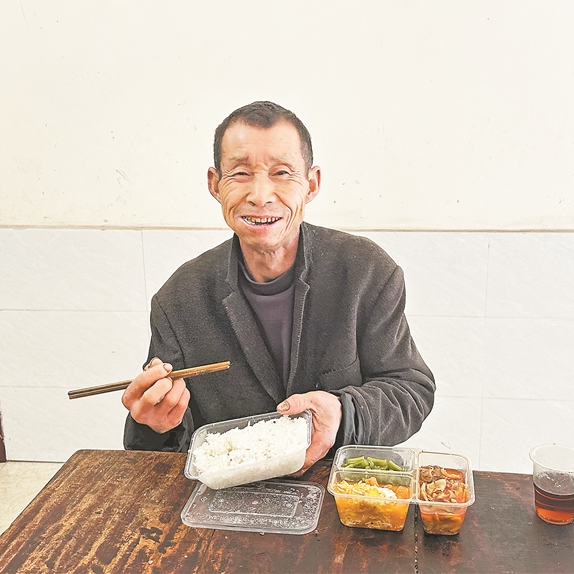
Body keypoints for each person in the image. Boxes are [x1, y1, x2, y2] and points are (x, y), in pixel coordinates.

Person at [122, 101, 435, 474]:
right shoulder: (179, 299)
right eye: (240, 173)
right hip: (230, 496)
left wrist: (343, 412)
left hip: (340, 489)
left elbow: (410, 389)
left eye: (282, 173)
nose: (260, 195)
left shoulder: (366, 271)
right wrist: (153, 425)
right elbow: (162, 444)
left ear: (311, 184)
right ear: (214, 184)